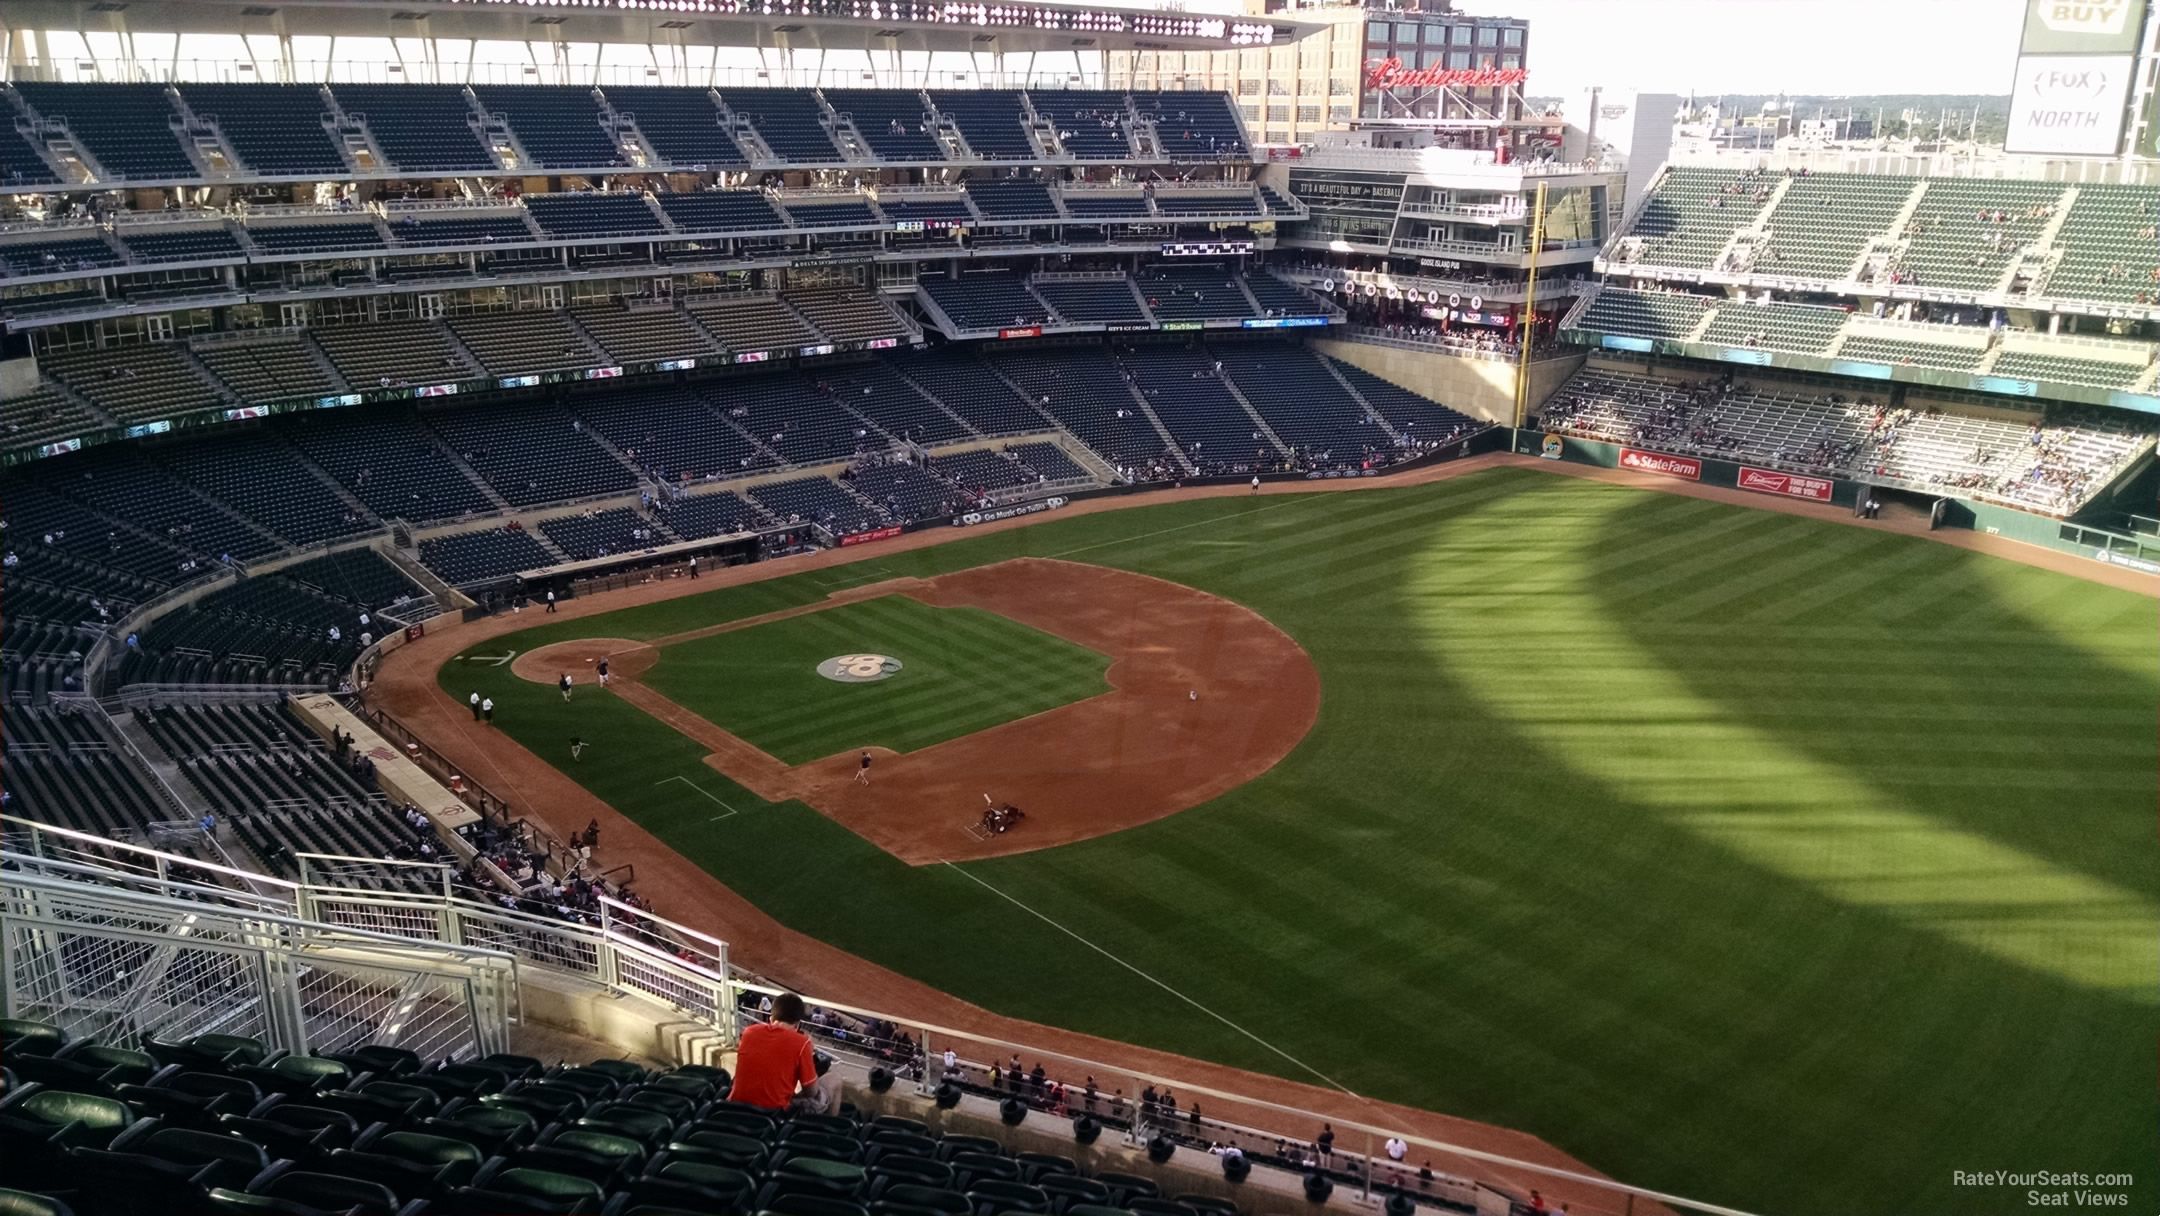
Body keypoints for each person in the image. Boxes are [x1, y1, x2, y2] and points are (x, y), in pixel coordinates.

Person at [731, 992, 820, 1111]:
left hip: (735, 1107)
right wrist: (810, 1054)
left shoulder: (748, 1032)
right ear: (798, 1025)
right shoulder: (802, 1043)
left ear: (771, 1019)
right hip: (773, 1114)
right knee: (833, 1081)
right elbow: (811, 1091)